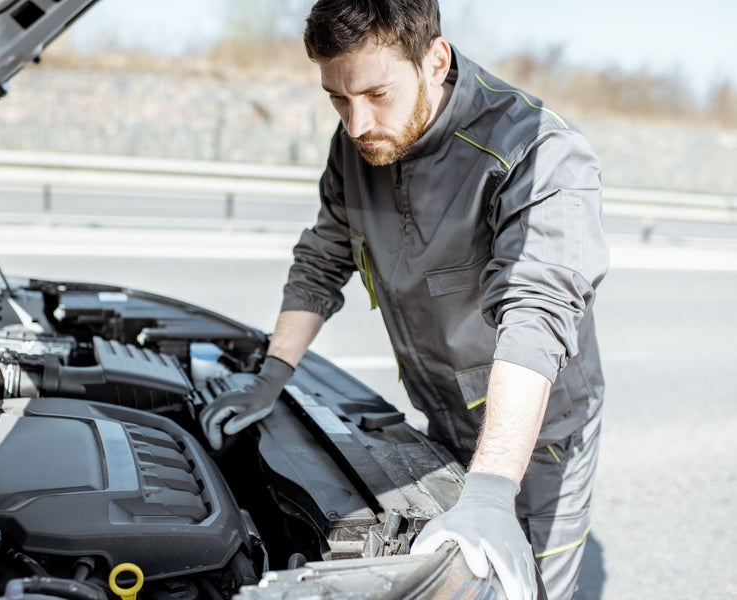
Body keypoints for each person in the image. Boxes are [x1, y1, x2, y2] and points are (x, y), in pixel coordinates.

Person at [200, 1, 607, 599]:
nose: (356, 123)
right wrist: (270, 377)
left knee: (528, 585)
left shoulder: (537, 152)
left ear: (435, 60)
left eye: (376, 94)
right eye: (338, 99)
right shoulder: (360, 143)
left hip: (540, 434)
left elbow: (535, 318)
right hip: (443, 417)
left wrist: (492, 492)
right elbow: (322, 260)